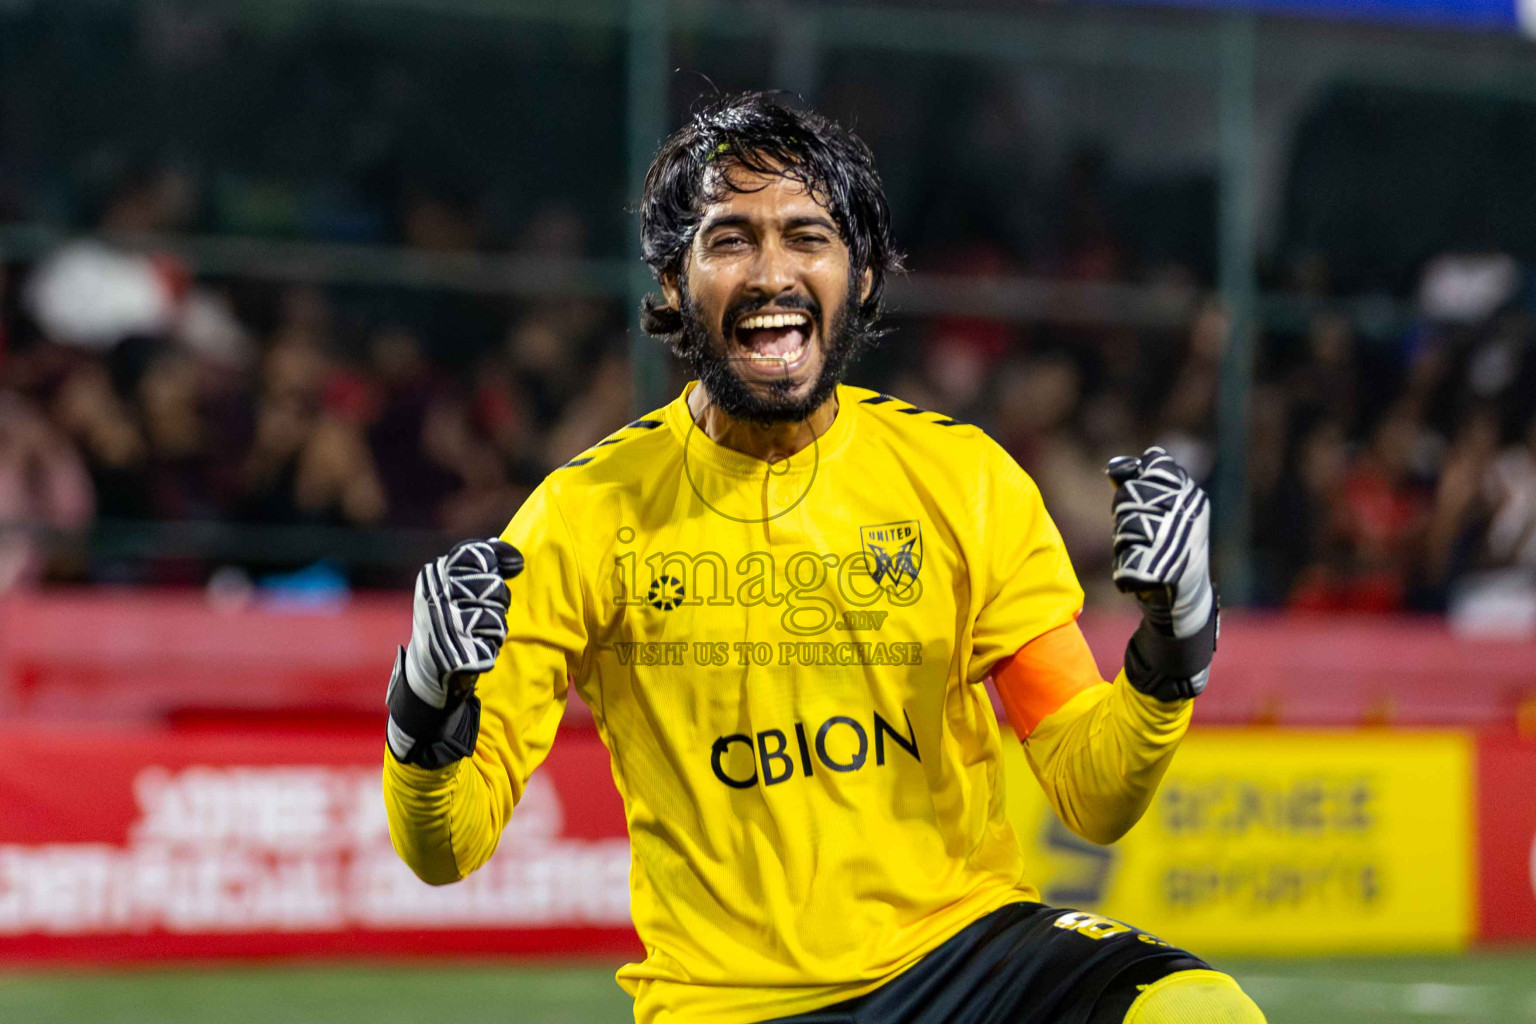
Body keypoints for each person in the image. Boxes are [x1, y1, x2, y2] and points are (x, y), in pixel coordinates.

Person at [382, 93, 1259, 1024]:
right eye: (729, 240)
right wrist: (426, 704)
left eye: (807, 236)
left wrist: (1174, 640)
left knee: (1198, 1011)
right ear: (675, 285)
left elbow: (1093, 792)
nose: (772, 273)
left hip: (966, 957)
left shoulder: (961, 479)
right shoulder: (580, 516)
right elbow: (447, 847)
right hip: (729, 1004)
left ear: (866, 276)